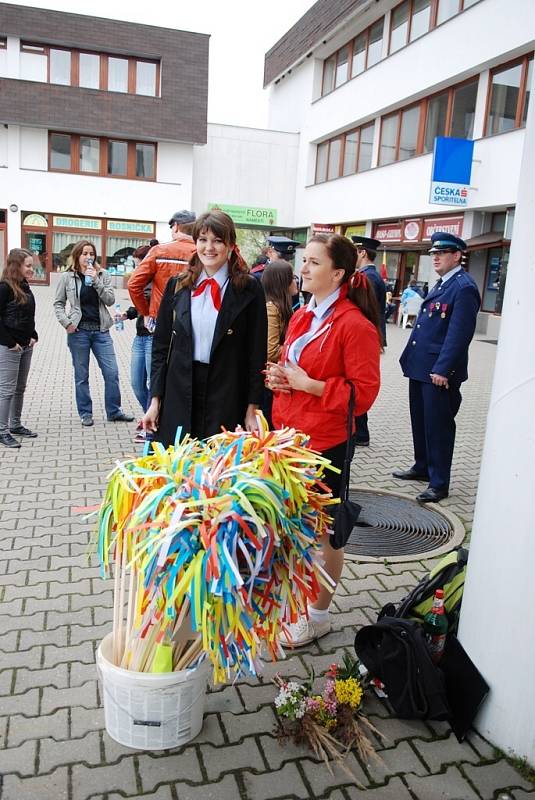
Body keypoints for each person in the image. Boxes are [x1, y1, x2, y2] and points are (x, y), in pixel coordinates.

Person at [266, 233, 381, 647]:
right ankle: (297, 600)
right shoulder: (303, 314)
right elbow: (289, 367)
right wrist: (280, 379)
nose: (304, 268)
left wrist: (311, 385)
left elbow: (363, 395)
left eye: (314, 263)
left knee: (323, 533)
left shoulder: (354, 325)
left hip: (326, 444)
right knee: (294, 525)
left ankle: (318, 615)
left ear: (338, 273)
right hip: (288, 437)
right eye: (305, 261)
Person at [143, 210, 267, 446]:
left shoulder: (249, 289)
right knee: (181, 469)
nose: (209, 247)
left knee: (218, 468)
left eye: (217, 240)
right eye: (202, 240)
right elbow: (160, 348)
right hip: (179, 390)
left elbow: (256, 354)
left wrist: (253, 407)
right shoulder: (177, 285)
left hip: (227, 392)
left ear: (230, 245)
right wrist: (155, 400)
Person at [393, 232, 481, 503]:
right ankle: (422, 467)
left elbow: (459, 334)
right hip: (421, 367)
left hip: (438, 373)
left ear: (457, 256)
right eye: (433, 254)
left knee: (438, 427)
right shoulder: (444, 283)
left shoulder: (463, 286)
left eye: (442, 253)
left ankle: (439, 482)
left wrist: (443, 369)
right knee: (420, 422)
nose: (436, 258)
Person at [53, 239, 133, 427]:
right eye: (85, 254)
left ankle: (114, 411)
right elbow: (58, 304)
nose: (89, 257)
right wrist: (66, 323)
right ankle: (85, 413)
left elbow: (111, 300)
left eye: (91, 254)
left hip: (101, 331)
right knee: (82, 376)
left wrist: (96, 280)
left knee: (111, 372)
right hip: (78, 332)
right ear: (77, 256)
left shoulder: (103, 274)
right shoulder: (67, 277)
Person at [127, 210, 196, 329]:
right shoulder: (202, 253)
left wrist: (145, 312)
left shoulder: (158, 251)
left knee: (160, 347)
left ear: (176, 227)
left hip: (161, 316)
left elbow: (133, 284)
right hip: (192, 318)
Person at [0, 248, 38, 448]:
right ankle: (2, 430)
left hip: (25, 345)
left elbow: (28, 315)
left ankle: (15, 424)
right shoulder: (4, 287)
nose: (32, 269)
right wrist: (10, 342)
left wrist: (33, 335)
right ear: (16, 266)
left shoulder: (24, 285)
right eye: (28, 266)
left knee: (19, 388)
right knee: (6, 390)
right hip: (10, 347)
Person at [351, 235, 386, 446]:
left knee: (357, 383)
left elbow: (364, 309)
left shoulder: (368, 278)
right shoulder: (370, 275)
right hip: (368, 334)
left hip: (363, 336)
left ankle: (361, 433)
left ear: (362, 253)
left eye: (356, 252)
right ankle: (361, 431)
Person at [123, 242, 158, 443]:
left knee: (151, 383)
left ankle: (152, 427)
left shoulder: (158, 281)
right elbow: (138, 306)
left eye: (140, 264)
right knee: (137, 383)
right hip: (140, 337)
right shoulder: (142, 282)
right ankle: (150, 417)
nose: (138, 269)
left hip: (154, 338)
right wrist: (127, 314)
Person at [260, 260, 295, 427]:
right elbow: (270, 350)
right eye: (292, 277)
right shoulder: (271, 308)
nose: (296, 280)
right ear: (283, 281)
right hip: (269, 383)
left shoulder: (284, 307)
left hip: (279, 379)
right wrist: (295, 349)